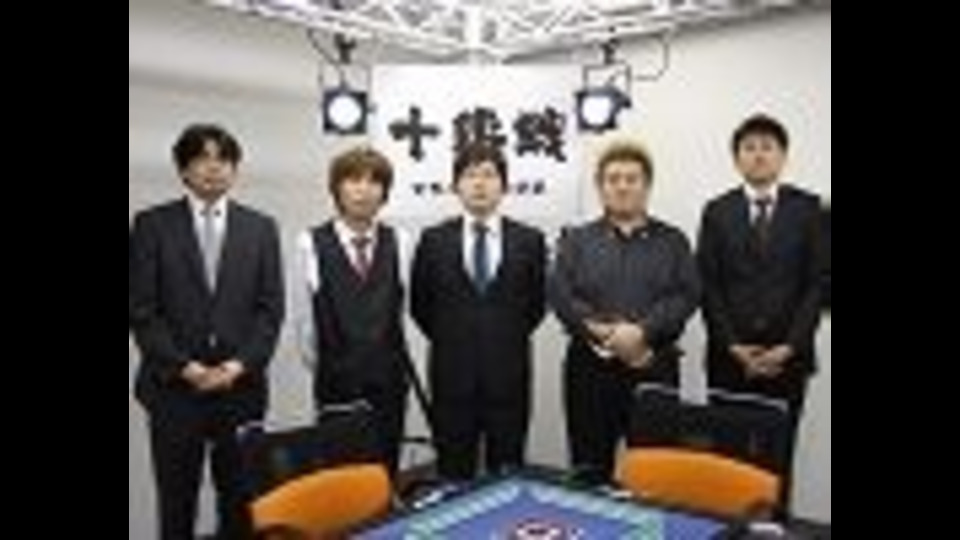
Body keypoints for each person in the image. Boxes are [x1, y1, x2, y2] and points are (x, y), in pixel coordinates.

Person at [130, 124, 285, 539]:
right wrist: (186, 368)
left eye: (223, 159)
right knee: (176, 501)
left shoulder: (261, 228)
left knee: (240, 502)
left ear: (235, 168)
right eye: (202, 159)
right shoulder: (152, 225)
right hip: (175, 390)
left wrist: (238, 365)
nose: (214, 168)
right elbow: (142, 312)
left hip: (241, 389)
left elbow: (270, 311)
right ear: (183, 169)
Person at [549, 140, 699, 485]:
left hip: (653, 366)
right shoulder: (577, 240)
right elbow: (561, 294)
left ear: (647, 185)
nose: (622, 187)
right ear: (600, 187)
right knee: (588, 472)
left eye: (632, 179)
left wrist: (642, 332)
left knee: (654, 475)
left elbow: (685, 295)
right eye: (613, 179)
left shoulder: (673, 241)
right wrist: (606, 334)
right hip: (590, 371)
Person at [697, 114, 822, 516]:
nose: (758, 155)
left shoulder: (810, 209)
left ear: (783, 156)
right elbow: (708, 285)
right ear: (736, 158)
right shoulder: (717, 211)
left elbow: (818, 285)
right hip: (729, 359)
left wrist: (790, 346)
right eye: (749, 147)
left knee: (778, 456)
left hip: (789, 359)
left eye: (767, 147)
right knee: (728, 454)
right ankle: (728, 526)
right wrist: (733, 345)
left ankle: (774, 527)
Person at [411, 143, 546, 481]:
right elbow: (420, 306)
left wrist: (500, 336)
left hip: (509, 379)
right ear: (456, 185)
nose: (480, 184)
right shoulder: (433, 240)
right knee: (453, 476)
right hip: (452, 381)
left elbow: (536, 306)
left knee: (508, 475)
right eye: (470, 175)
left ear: (504, 185)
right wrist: (456, 339)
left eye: (489, 175)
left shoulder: (529, 240)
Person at [296, 146, 412, 476]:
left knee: (385, 473)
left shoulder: (400, 240)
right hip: (337, 384)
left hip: (388, 384)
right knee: (342, 478)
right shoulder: (310, 242)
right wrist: (334, 366)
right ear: (337, 188)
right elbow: (304, 326)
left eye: (374, 182)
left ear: (384, 192)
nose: (364, 190)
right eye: (354, 180)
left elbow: (401, 311)